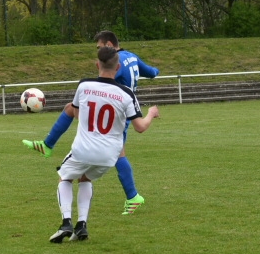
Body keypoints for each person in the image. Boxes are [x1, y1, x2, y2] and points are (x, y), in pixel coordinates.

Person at [24, 30, 159, 215]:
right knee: (70, 108)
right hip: (124, 107)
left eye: (99, 47)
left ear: (109, 46)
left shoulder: (116, 65)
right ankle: (47, 145)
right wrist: (156, 71)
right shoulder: (132, 57)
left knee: (119, 153)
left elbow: (107, 81)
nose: (98, 50)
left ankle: (133, 196)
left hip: (118, 110)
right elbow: (151, 73)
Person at [49, 46, 159, 243]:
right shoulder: (126, 94)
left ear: (97, 64)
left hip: (84, 149)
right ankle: (81, 225)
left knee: (64, 178)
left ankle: (66, 221)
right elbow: (140, 127)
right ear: (118, 67)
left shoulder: (83, 86)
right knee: (85, 179)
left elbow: (73, 112)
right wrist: (151, 113)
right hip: (109, 156)